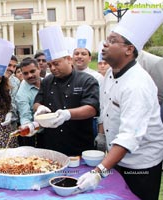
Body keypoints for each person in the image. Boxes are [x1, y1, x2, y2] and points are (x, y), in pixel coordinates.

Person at [77, 4, 163, 199]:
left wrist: (98, 171)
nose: (105, 44)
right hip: (116, 158)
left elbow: (129, 136)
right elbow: (106, 109)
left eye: (112, 41)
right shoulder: (109, 74)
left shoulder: (137, 84)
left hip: (141, 164)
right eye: (106, 40)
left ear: (129, 49)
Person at [33, 25, 99, 156]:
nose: (52, 68)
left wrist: (67, 114)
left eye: (56, 64)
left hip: (79, 144)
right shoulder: (46, 81)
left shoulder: (87, 80)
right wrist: (39, 108)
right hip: (52, 144)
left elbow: (91, 109)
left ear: (69, 59)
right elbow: (37, 102)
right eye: (49, 65)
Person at [15, 57, 41, 147]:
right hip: (37, 134)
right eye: (25, 73)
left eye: (32, 71)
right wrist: (26, 126)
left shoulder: (48, 81)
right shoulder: (21, 93)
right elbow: (24, 115)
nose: (30, 75)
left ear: (39, 69)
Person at [3, 55, 20, 129]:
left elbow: (17, 101)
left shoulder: (16, 82)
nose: (11, 69)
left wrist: (11, 113)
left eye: (14, 66)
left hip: (12, 124)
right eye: (9, 65)